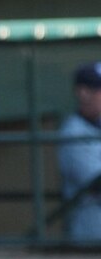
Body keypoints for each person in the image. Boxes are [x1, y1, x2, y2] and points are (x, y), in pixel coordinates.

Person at [57, 61, 101, 241]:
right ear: (82, 93)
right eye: (99, 90)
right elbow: (96, 181)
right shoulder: (73, 133)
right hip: (90, 232)